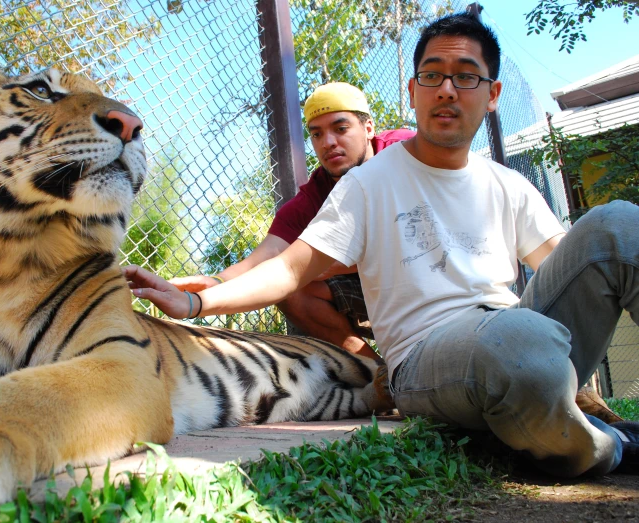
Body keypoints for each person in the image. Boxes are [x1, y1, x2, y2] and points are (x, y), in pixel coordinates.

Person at [127, 12, 639, 477]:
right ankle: (612, 446)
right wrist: (197, 300)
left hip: (516, 329)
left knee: (617, 225)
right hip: (428, 354)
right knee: (521, 342)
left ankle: (544, 399)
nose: (447, 90)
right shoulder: (366, 185)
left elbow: (577, 269)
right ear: (413, 90)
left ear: (493, 93)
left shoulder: (508, 183)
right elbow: (286, 270)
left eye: (466, 76)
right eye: (433, 75)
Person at [171, 83, 414, 360]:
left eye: (341, 128)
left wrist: (334, 264)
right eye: (317, 134)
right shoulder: (312, 197)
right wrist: (214, 282)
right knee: (293, 290)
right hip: (369, 293)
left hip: (425, 278)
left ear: (368, 128)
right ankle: (377, 375)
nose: (328, 142)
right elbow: (268, 256)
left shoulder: (405, 152)